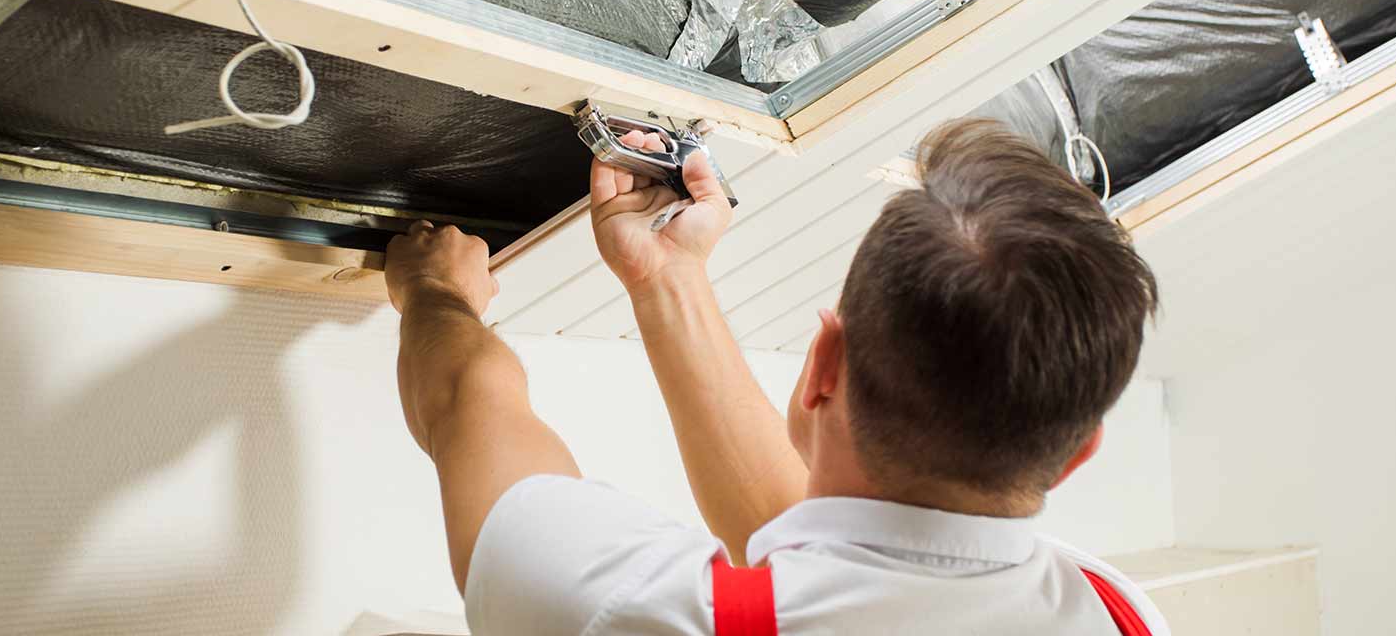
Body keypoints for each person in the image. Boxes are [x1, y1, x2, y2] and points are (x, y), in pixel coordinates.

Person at [385, 118, 1166, 634]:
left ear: (821, 364)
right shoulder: (1118, 614)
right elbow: (822, 547)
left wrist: (435, 291)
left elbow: (465, 407)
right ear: (1077, 453)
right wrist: (666, 280)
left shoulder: (638, 610)